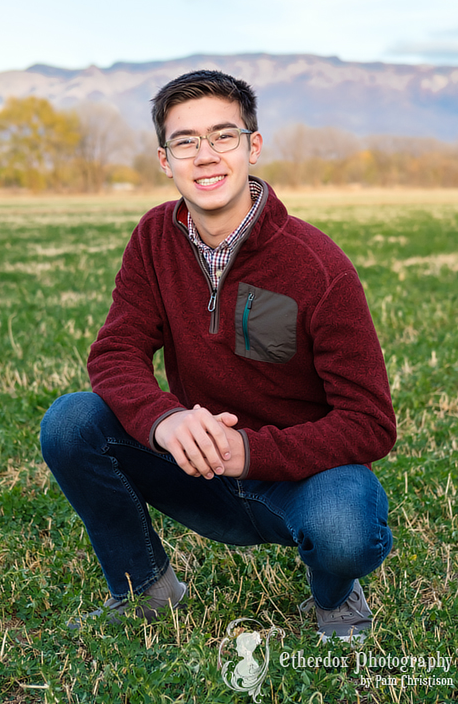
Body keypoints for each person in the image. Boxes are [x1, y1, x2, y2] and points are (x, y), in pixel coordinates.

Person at [40, 69, 396, 642]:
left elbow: (371, 423)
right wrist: (165, 420)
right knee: (71, 421)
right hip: (196, 464)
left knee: (344, 525)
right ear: (165, 160)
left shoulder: (319, 268)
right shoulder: (154, 238)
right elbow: (116, 350)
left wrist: (250, 450)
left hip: (295, 478)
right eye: (186, 141)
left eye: (223, 136)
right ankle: (146, 591)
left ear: (253, 146)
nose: (205, 156)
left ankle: (333, 599)